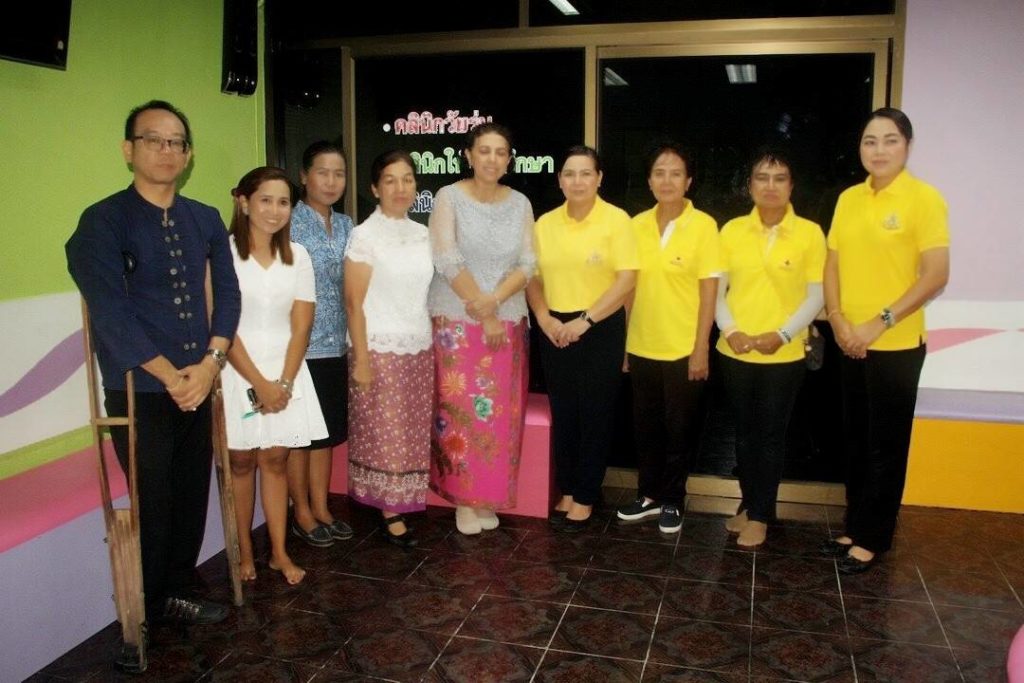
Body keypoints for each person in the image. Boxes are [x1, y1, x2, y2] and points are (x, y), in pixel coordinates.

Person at [66, 100, 240, 640]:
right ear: (129, 149)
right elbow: (111, 315)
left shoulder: (204, 218)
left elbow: (228, 296)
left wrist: (210, 365)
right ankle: (150, 600)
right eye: (154, 140)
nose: (167, 151)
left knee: (190, 492)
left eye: (176, 142)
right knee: (154, 498)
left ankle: (177, 588)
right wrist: (171, 376)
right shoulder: (102, 221)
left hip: (199, 380)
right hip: (140, 387)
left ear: (188, 155)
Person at [822, 108, 949, 573]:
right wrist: (838, 320)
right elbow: (832, 265)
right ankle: (855, 526)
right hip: (848, 340)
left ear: (907, 146)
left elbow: (936, 275)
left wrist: (879, 323)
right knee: (855, 441)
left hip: (896, 344)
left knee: (885, 446)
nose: (879, 150)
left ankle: (874, 537)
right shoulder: (849, 199)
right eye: (870, 141)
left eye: (890, 140)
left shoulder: (924, 198)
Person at [427, 123, 536, 535]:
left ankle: (486, 496)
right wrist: (485, 312)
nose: (492, 159)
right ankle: (463, 499)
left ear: (509, 160)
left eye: (500, 152)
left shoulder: (520, 203)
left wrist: (495, 302)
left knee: (499, 415)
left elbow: (528, 263)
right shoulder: (449, 197)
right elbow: (446, 258)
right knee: (461, 413)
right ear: (468, 155)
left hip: (508, 321)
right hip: (457, 324)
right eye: (484, 150)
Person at [715, 147, 826, 548]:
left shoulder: (810, 233)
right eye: (762, 178)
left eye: (780, 179)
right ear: (750, 186)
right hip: (736, 350)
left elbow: (817, 294)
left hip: (785, 353)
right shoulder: (731, 231)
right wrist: (730, 330)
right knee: (744, 434)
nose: (770, 186)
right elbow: (716, 290)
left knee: (771, 435)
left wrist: (781, 334)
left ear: (791, 186)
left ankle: (761, 515)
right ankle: (749, 504)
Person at [221, 166, 327, 585]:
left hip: (287, 372)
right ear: (244, 202)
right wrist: (260, 385)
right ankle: (244, 550)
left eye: (283, 202)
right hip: (236, 370)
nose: (274, 210)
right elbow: (223, 325)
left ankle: (279, 553)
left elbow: (301, 325)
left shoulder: (297, 256)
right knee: (241, 461)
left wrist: (282, 383)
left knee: (276, 460)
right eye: (265, 200)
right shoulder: (223, 253)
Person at [526, 145, 638, 532]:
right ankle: (569, 487)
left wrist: (585, 321)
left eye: (586, 173)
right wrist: (545, 318)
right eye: (570, 174)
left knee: (595, 413)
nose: (577, 181)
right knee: (565, 411)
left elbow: (627, 279)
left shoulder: (617, 220)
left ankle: (586, 495)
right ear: (560, 180)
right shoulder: (545, 224)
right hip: (554, 328)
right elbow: (532, 276)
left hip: (599, 327)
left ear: (599, 178)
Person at [617, 143, 720, 535]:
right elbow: (628, 289)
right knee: (645, 427)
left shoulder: (704, 226)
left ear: (688, 181)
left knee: (680, 429)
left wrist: (701, 347)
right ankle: (648, 495)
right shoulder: (636, 225)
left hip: (683, 347)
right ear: (649, 181)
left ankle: (673, 499)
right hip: (642, 343)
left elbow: (709, 292)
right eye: (659, 172)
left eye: (676, 173)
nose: (667, 180)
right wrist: (626, 344)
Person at [344, 150, 434, 548]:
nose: (401, 188)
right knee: (387, 431)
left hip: (419, 345)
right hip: (379, 346)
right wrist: (362, 360)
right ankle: (389, 508)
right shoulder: (365, 235)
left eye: (407, 179)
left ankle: (403, 497)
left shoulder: (423, 234)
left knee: (409, 430)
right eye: (391, 180)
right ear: (375, 188)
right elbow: (353, 302)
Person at [287, 141, 356, 548]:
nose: (331, 182)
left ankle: (321, 506)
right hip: (299, 347)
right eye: (322, 172)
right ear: (304, 176)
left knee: (326, 432)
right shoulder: (287, 222)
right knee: (301, 435)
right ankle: (301, 511)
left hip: (336, 345)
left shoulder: (347, 225)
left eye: (339, 174)